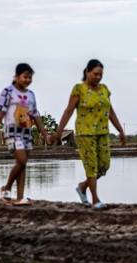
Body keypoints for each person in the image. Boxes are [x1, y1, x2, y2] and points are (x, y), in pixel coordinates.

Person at [52, 59, 126, 210]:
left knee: (104, 166)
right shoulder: (79, 89)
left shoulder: (104, 89)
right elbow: (69, 111)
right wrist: (59, 132)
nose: (98, 77)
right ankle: (95, 199)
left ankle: (82, 186)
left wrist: (120, 130)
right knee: (91, 166)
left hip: (102, 132)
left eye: (101, 74)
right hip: (85, 133)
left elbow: (110, 111)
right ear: (87, 72)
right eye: (95, 74)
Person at [0, 63, 51, 206]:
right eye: (25, 76)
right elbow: (1, 112)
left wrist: (45, 134)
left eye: (30, 77)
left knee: (22, 164)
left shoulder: (31, 94)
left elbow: (35, 115)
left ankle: (19, 198)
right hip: (12, 132)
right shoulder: (8, 91)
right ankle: (6, 188)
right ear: (16, 77)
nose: (27, 80)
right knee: (22, 160)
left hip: (27, 133)